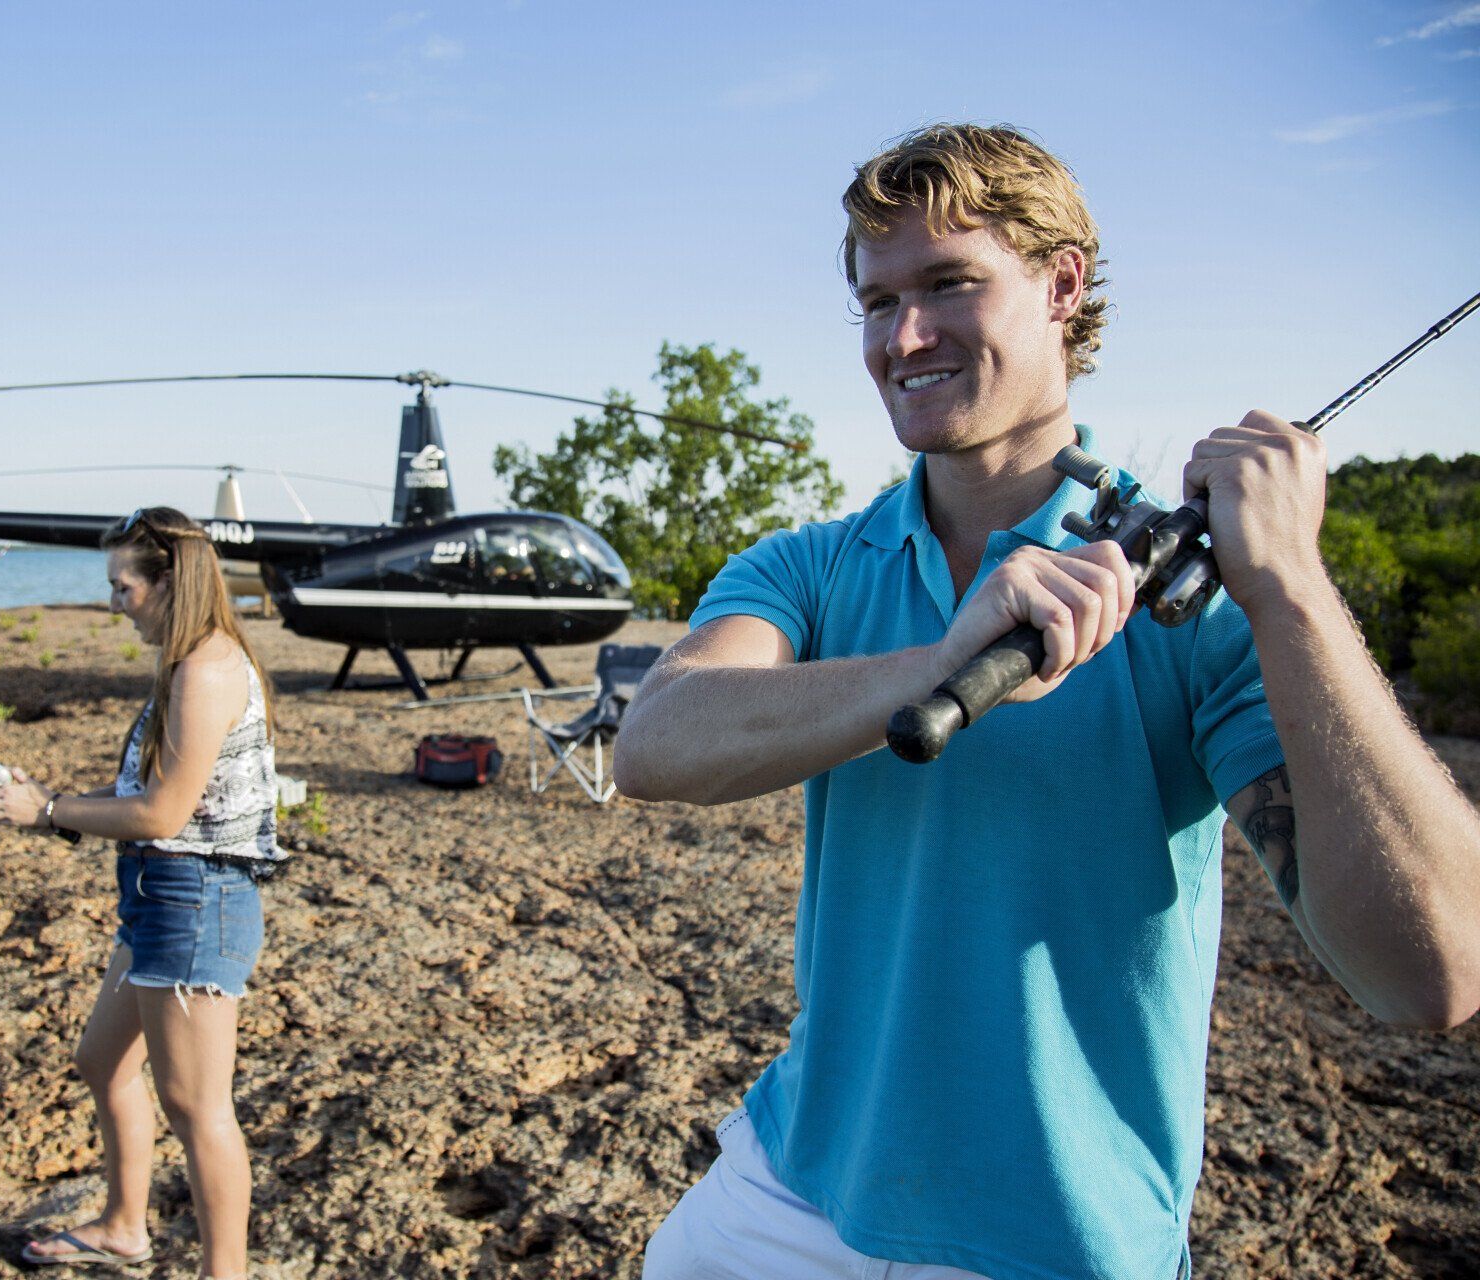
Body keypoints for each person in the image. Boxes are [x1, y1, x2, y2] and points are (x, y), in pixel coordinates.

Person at [615, 124, 1480, 1280]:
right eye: (877, 302)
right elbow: (655, 741)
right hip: (790, 1184)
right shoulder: (813, 566)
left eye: (948, 284)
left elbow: (1431, 974)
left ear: (1063, 283)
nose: (902, 337)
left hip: (1054, 1242)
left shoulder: (1202, 606)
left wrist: (1296, 589)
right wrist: (937, 661)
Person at [0, 505, 283, 1280]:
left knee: (197, 1109)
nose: (117, 603)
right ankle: (123, 1226)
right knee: (102, 1062)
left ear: (169, 582)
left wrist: (45, 812)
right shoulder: (189, 662)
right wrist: (51, 798)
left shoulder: (208, 668)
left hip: (197, 899)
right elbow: (149, 799)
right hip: (159, 893)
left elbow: (164, 812)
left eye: (124, 587)